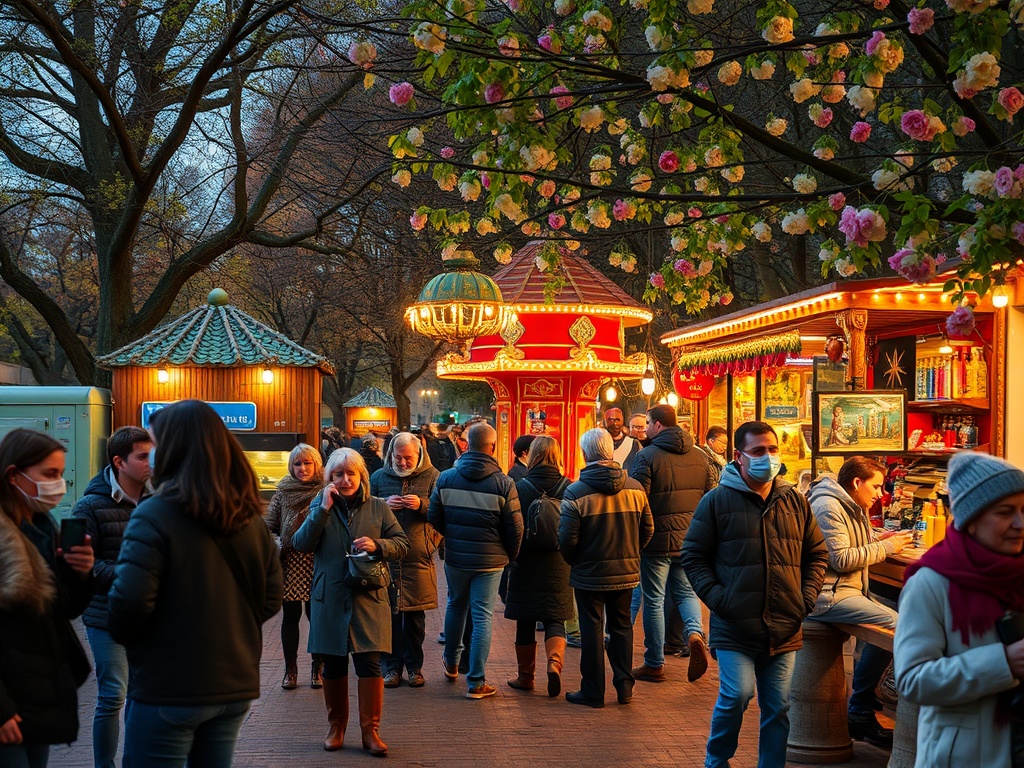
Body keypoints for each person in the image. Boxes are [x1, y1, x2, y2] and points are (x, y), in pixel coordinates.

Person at [107, 400, 283, 765]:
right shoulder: (249, 516)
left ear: (175, 448)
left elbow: (129, 604)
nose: (153, 455)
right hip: (233, 684)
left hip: (168, 685)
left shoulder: (154, 514)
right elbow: (270, 598)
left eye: (156, 445)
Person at [682, 420, 827, 768]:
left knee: (778, 707)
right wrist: (720, 600)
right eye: (758, 451)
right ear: (739, 456)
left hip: (785, 625)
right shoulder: (716, 501)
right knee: (736, 695)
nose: (768, 457)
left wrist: (803, 600)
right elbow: (693, 555)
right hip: (735, 625)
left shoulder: (793, 500)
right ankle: (716, 760)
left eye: (772, 449)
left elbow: (817, 553)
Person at [895, 452, 1024, 767]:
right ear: (971, 519)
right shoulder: (931, 583)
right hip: (965, 755)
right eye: (1006, 512)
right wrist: (1003, 663)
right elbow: (913, 680)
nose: (1020, 524)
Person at [292, 447, 410, 755]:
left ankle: (371, 732)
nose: (345, 480)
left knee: (369, 664)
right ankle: (336, 728)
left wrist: (378, 545)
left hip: (368, 597)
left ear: (361, 476)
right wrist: (322, 510)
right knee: (332, 664)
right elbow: (300, 543)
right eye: (338, 475)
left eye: (351, 474)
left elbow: (402, 544)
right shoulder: (320, 504)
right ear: (329, 478)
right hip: (329, 596)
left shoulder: (377, 508)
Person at [0, 429, 94, 768]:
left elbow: (64, 609)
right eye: (50, 474)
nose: (59, 484)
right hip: (8, 699)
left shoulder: (41, 525)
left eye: (61, 474)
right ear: (14, 475)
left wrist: (79, 573)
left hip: (37, 695)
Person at [806, 456, 914, 748]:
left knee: (894, 615)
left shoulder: (850, 503)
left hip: (847, 590)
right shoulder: (828, 506)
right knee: (901, 624)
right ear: (857, 483)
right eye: (876, 486)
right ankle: (875, 702)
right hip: (827, 595)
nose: (881, 494)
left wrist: (880, 537)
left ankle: (863, 706)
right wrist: (887, 547)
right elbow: (841, 559)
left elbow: (851, 542)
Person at [71, 425, 152, 768]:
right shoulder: (85, 504)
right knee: (113, 694)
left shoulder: (158, 500)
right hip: (105, 615)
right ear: (119, 462)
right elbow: (72, 561)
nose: (151, 462)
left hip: (150, 615)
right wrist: (128, 576)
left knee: (141, 694)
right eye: (143, 456)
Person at [558, 428, 653, 707]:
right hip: (625, 570)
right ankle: (624, 687)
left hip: (589, 572)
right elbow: (647, 529)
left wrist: (575, 560)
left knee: (591, 630)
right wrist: (632, 553)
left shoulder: (575, 491)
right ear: (610, 452)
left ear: (585, 454)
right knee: (622, 626)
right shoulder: (635, 488)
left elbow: (567, 538)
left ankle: (593, 690)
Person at [428, 422, 523, 700]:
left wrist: (453, 535)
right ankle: (477, 681)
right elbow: (515, 528)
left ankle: (452, 662)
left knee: (455, 605)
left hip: (457, 557)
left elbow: (434, 516)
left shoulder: (446, 478)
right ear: (492, 447)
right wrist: (509, 554)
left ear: (466, 444)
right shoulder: (504, 483)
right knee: (482, 616)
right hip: (491, 561)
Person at [631, 404, 717, 684]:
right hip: (689, 539)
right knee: (686, 593)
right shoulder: (700, 456)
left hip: (656, 541)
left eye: (648, 423)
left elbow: (639, 500)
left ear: (657, 425)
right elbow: (710, 497)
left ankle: (654, 662)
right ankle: (694, 634)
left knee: (653, 599)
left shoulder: (647, 456)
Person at [370, 432, 441, 689]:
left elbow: (442, 511)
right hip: (386, 558)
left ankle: (414, 668)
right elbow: (365, 509)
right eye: (398, 458)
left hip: (417, 557)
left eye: (407, 458)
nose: (402, 463)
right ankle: (391, 668)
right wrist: (382, 504)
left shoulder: (434, 477)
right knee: (386, 615)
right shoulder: (378, 478)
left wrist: (423, 504)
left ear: (418, 454)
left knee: (414, 619)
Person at [504, 436, 573, 697]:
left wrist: (513, 555)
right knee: (556, 618)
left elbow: (511, 525)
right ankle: (554, 664)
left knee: (525, 620)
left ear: (532, 456)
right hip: (559, 561)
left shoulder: (519, 487)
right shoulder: (569, 487)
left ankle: (526, 677)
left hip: (526, 561)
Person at [265, 443, 325, 691]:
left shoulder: (325, 489)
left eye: (307, 463)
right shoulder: (282, 491)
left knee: (317, 617)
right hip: (290, 562)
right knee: (290, 616)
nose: (302, 468)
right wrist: (276, 541)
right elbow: (269, 525)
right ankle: (290, 669)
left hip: (318, 559)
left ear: (316, 464)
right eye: (298, 464)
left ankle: (317, 667)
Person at [603, 407, 641, 474]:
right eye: (610, 420)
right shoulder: (599, 443)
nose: (615, 423)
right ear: (604, 422)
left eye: (617, 420)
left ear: (622, 421)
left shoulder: (634, 444)